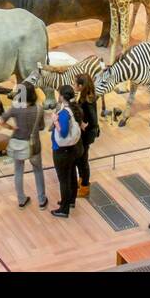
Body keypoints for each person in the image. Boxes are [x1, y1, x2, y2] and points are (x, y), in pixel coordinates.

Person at [0, 82, 47, 209]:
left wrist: (11, 127)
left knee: (18, 171)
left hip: (18, 143)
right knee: (38, 171)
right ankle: (42, 200)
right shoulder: (39, 109)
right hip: (34, 144)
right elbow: (42, 127)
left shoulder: (15, 108)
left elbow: (1, 121)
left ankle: (21, 200)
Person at [49, 84, 84, 218]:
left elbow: (63, 133)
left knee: (64, 180)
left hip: (62, 151)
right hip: (74, 148)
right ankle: (70, 201)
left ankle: (64, 209)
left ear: (62, 96)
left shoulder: (64, 113)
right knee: (71, 176)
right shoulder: (75, 109)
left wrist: (55, 121)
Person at [73, 74, 100, 199]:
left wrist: (85, 125)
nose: (74, 85)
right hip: (85, 135)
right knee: (81, 159)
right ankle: (82, 180)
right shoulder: (87, 96)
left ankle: (84, 186)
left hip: (86, 135)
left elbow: (93, 120)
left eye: (75, 84)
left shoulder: (87, 101)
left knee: (83, 161)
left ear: (81, 86)